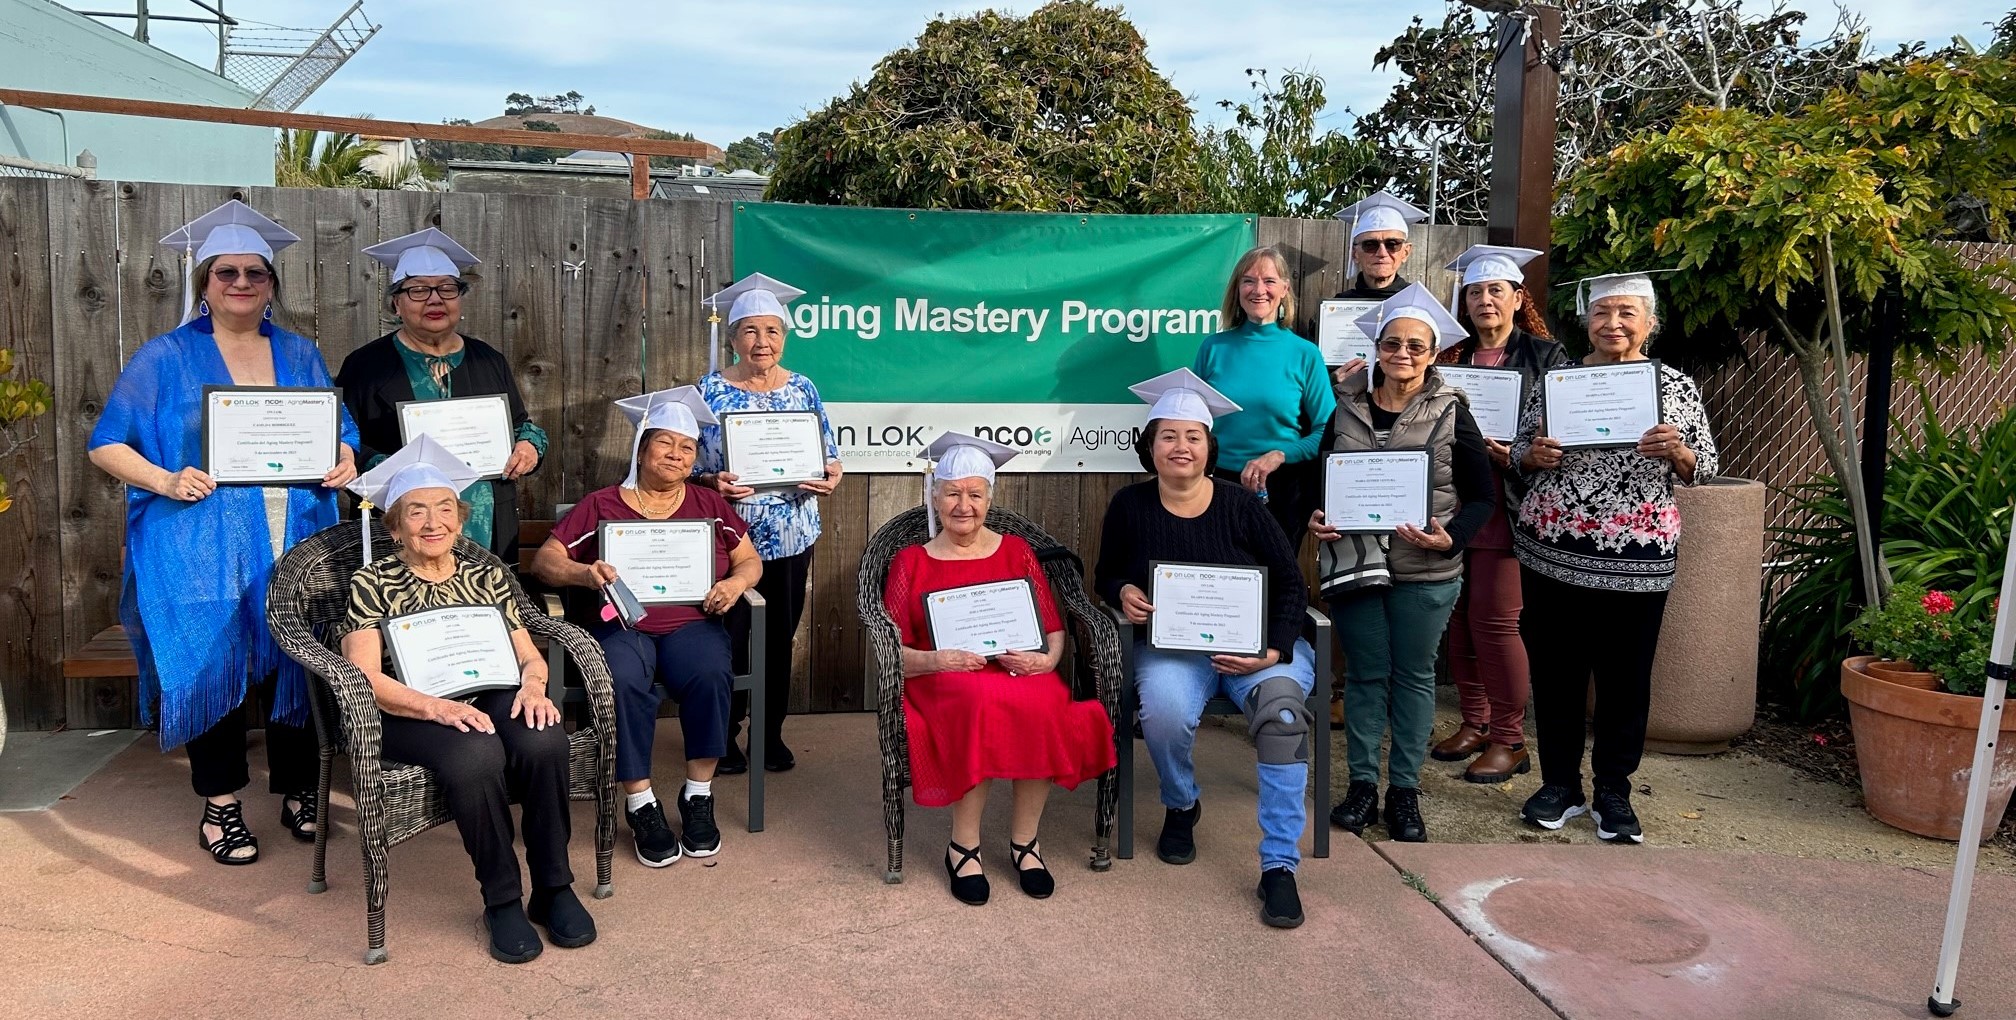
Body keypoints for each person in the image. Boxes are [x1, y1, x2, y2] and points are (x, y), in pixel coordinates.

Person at [87, 200, 359, 866]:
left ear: (272, 284)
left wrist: (346, 459)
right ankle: (222, 807)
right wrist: (163, 478)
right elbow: (105, 444)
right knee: (211, 666)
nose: (241, 283)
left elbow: (339, 432)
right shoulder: (166, 358)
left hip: (294, 531)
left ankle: (298, 789)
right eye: (226, 273)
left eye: (255, 274)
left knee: (300, 660)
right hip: (198, 545)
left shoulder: (298, 351)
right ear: (203, 283)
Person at [338, 437, 593, 964]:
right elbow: (363, 676)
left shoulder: (486, 574)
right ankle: (501, 899)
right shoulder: (373, 581)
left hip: (491, 691)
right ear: (394, 525)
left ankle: (553, 886)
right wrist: (437, 708)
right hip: (407, 709)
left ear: (460, 519)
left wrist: (532, 686)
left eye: (445, 509)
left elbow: (529, 654)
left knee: (544, 741)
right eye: (416, 511)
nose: (433, 522)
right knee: (475, 754)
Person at [1094, 368, 1316, 930]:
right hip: (1174, 650)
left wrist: (1273, 650)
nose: (1181, 446)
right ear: (1150, 446)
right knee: (1164, 712)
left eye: (1192, 436)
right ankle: (1181, 802)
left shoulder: (1243, 506)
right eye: (1168, 435)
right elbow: (1107, 572)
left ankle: (1279, 867)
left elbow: (1292, 585)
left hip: (1257, 650)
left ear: (1209, 446)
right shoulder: (1129, 506)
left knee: (1284, 717)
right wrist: (1123, 588)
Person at [1509, 271, 1719, 844]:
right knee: (1556, 673)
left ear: (1650, 322)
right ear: (1586, 321)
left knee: (1626, 678)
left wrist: (1676, 449)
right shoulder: (1556, 381)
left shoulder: (1674, 387)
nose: (1614, 324)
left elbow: (1705, 468)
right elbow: (1519, 454)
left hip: (1637, 558)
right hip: (1553, 551)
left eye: (1627, 312)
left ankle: (1614, 790)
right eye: (1602, 313)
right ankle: (1559, 784)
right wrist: (1536, 455)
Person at [531, 387, 762, 868]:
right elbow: (545, 560)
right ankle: (640, 801)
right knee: (623, 680)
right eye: (665, 444)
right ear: (641, 449)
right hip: (623, 628)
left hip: (692, 623)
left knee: (710, 674)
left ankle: (698, 794)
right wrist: (582, 572)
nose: (677, 456)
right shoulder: (600, 505)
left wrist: (737, 584)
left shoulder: (709, 505)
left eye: (687, 448)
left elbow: (749, 560)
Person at [883, 432, 1116, 905]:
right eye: (951, 493)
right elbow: (891, 652)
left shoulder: (1016, 552)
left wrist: (1047, 659)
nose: (962, 505)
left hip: (1015, 669)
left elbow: (1052, 627)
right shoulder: (911, 561)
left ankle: (1025, 842)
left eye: (974, 494)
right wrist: (936, 659)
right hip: (943, 678)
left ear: (990, 498)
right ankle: (963, 846)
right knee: (978, 701)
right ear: (934, 497)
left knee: (1047, 700)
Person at [1313, 284, 1494, 844]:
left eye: (1416, 346)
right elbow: (1323, 483)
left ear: (1433, 353)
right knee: (1366, 676)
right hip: (1357, 564)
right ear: (1377, 349)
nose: (1403, 355)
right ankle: (1363, 785)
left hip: (1427, 568)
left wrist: (1452, 539)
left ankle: (1405, 791)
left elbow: (1483, 496)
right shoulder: (1345, 411)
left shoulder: (1452, 413)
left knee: (1414, 678)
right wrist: (1318, 519)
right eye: (1393, 344)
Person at [692, 273, 844, 776]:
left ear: (785, 335)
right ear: (732, 337)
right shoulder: (710, 392)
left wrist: (832, 474)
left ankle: (769, 732)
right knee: (730, 638)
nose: (763, 342)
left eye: (773, 330)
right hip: (731, 539)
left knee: (779, 635)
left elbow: (829, 455)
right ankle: (726, 734)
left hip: (793, 534)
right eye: (751, 331)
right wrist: (714, 483)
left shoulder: (804, 387)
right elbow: (685, 468)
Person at [1429, 246, 1568, 783]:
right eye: (1474, 292)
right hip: (1456, 503)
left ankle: (1511, 738)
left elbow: (1561, 435)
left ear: (1517, 298)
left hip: (1511, 506)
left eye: (1495, 291)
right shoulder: (1449, 357)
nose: (1484, 300)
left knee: (1495, 621)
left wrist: (1513, 451)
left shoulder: (1547, 358)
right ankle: (1476, 722)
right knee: (1460, 623)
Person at [336, 228, 548, 564]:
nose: (435, 300)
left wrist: (528, 447)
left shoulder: (488, 360)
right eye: (418, 290)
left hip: (488, 524)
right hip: (401, 530)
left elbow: (521, 426)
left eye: (447, 289)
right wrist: (390, 468)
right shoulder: (365, 366)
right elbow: (346, 444)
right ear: (396, 302)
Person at [1191, 247, 1336, 552]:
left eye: (1269, 281)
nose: (1259, 290)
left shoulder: (1305, 354)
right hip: (1217, 486)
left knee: (1274, 587)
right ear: (1237, 290)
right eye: (1248, 281)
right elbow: (1195, 420)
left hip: (1282, 490)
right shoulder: (1213, 348)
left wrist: (1279, 455)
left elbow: (1327, 430)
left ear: (1284, 289)